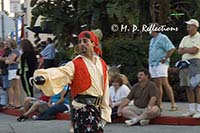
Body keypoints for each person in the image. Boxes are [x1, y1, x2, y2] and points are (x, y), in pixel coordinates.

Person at [32, 31, 111, 132]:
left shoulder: (102, 63)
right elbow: (61, 72)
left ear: (93, 43)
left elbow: (105, 87)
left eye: (85, 41)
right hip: (83, 109)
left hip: (97, 109)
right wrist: (44, 77)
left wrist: (105, 111)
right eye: (80, 42)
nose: (82, 44)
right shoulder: (75, 64)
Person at [149, 23, 177, 111]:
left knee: (165, 83)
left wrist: (165, 58)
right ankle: (159, 104)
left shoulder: (163, 37)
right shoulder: (152, 39)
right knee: (157, 84)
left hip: (161, 64)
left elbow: (171, 48)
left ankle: (173, 104)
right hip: (153, 64)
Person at [178, 19, 200, 118]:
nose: (188, 28)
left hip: (195, 62)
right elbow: (179, 51)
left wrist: (185, 50)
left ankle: (199, 110)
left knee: (196, 86)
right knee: (187, 86)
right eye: (187, 26)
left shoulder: (199, 37)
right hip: (184, 64)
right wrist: (188, 50)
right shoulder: (185, 38)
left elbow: (195, 50)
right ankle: (191, 110)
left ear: (195, 27)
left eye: (190, 26)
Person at [5, 39, 21, 109]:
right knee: (15, 87)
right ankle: (16, 103)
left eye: (8, 43)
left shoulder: (14, 51)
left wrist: (8, 61)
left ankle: (16, 103)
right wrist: (8, 61)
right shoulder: (12, 52)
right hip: (12, 69)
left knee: (14, 87)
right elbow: (7, 61)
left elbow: (9, 61)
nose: (6, 44)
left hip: (13, 70)